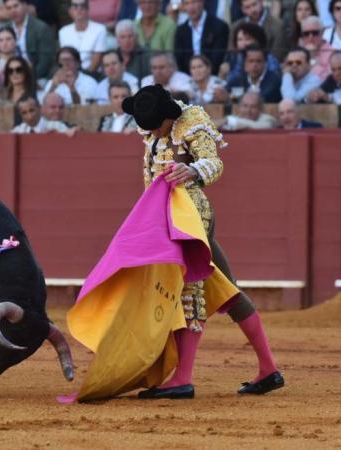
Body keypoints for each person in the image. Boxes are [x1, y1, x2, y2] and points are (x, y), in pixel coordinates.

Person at [121, 84, 283, 399]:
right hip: (165, 218)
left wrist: (192, 169)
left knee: (189, 289)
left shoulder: (191, 119)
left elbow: (214, 162)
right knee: (228, 291)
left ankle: (183, 378)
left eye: (157, 124)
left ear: (169, 116)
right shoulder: (154, 123)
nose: (152, 130)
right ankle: (269, 370)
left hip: (191, 215)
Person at [173, 0, 229, 76]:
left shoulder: (219, 26)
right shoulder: (181, 31)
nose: (191, 7)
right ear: (183, 6)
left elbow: (218, 58)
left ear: (202, 2)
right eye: (187, 3)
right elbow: (179, 59)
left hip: (213, 77)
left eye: (194, 2)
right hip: (188, 78)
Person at [4, 0, 56, 81]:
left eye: (16, 6)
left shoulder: (41, 28)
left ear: (25, 5)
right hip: (12, 75)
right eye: (9, 8)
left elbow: (46, 61)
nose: (13, 11)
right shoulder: (5, 29)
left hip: (36, 76)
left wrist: (29, 78)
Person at [58, 0, 107, 74]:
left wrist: (83, 77)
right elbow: (64, 59)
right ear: (70, 11)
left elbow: (97, 59)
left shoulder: (100, 29)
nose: (79, 9)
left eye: (83, 6)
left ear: (88, 10)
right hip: (69, 73)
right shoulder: (63, 32)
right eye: (75, 6)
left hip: (93, 74)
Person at [11, 95, 76, 135]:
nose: (29, 116)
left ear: (39, 109)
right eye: (24, 113)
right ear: (21, 115)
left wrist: (75, 130)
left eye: (32, 110)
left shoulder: (56, 126)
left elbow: (75, 133)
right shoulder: (19, 130)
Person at [298, 15, 334, 81]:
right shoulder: (297, 53)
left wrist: (313, 59)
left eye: (315, 33)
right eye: (306, 34)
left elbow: (327, 80)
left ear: (322, 32)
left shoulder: (332, 54)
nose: (310, 37)